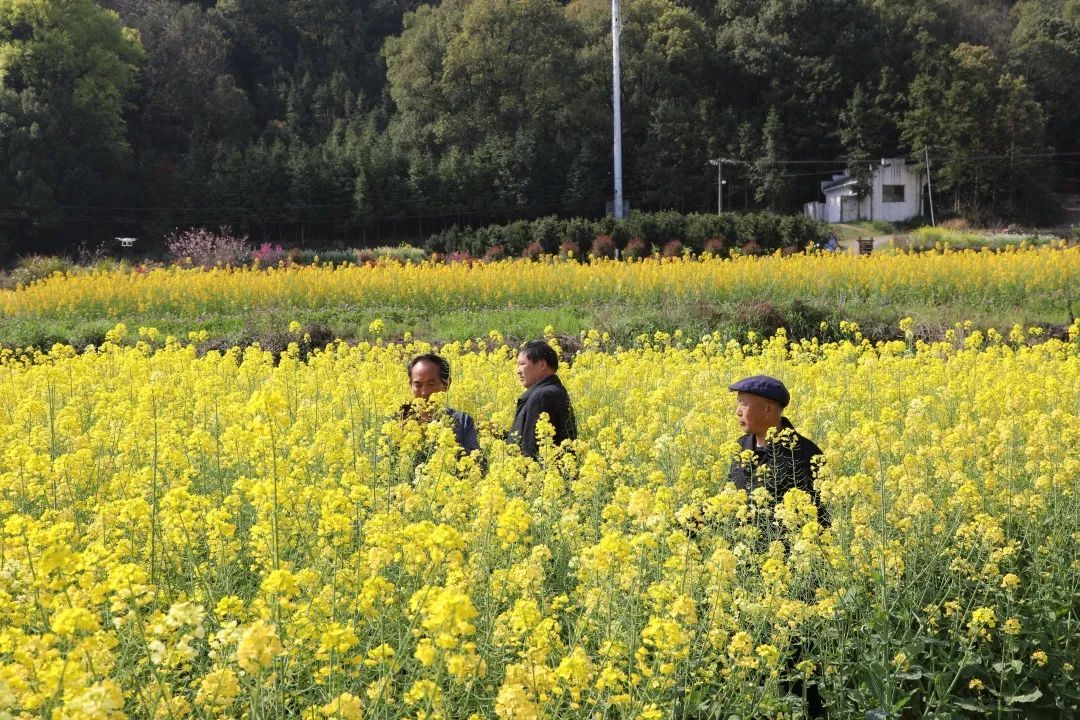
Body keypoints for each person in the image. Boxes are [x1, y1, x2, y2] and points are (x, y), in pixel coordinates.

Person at [728, 375, 823, 510]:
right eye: (738, 403)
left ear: (769, 409)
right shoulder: (740, 446)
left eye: (743, 404)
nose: (738, 412)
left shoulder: (806, 455)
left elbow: (819, 515)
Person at [509, 340, 577, 459]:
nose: (518, 370)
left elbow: (533, 448)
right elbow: (525, 437)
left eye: (522, 364)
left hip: (539, 474)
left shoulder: (542, 396)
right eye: (518, 365)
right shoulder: (554, 391)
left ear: (542, 365)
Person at [402, 353, 480, 453]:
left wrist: (445, 440)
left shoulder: (463, 422)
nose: (424, 392)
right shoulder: (397, 420)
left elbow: (478, 462)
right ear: (410, 385)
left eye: (431, 384)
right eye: (418, 385)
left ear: (446, 384)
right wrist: (398, 438)